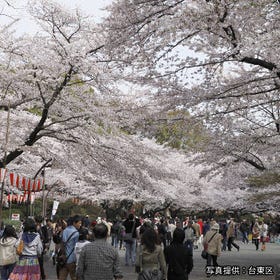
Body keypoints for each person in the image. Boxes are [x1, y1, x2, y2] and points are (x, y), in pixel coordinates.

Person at [58, 215, 81, 280]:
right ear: (74, 223)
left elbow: (62, 243)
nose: (80, 225)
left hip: (64, 258)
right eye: (79, 223)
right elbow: (76, 247)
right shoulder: (76, 233)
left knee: (62, 277)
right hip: (72, 259)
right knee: (74, 277)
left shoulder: (65, 230)